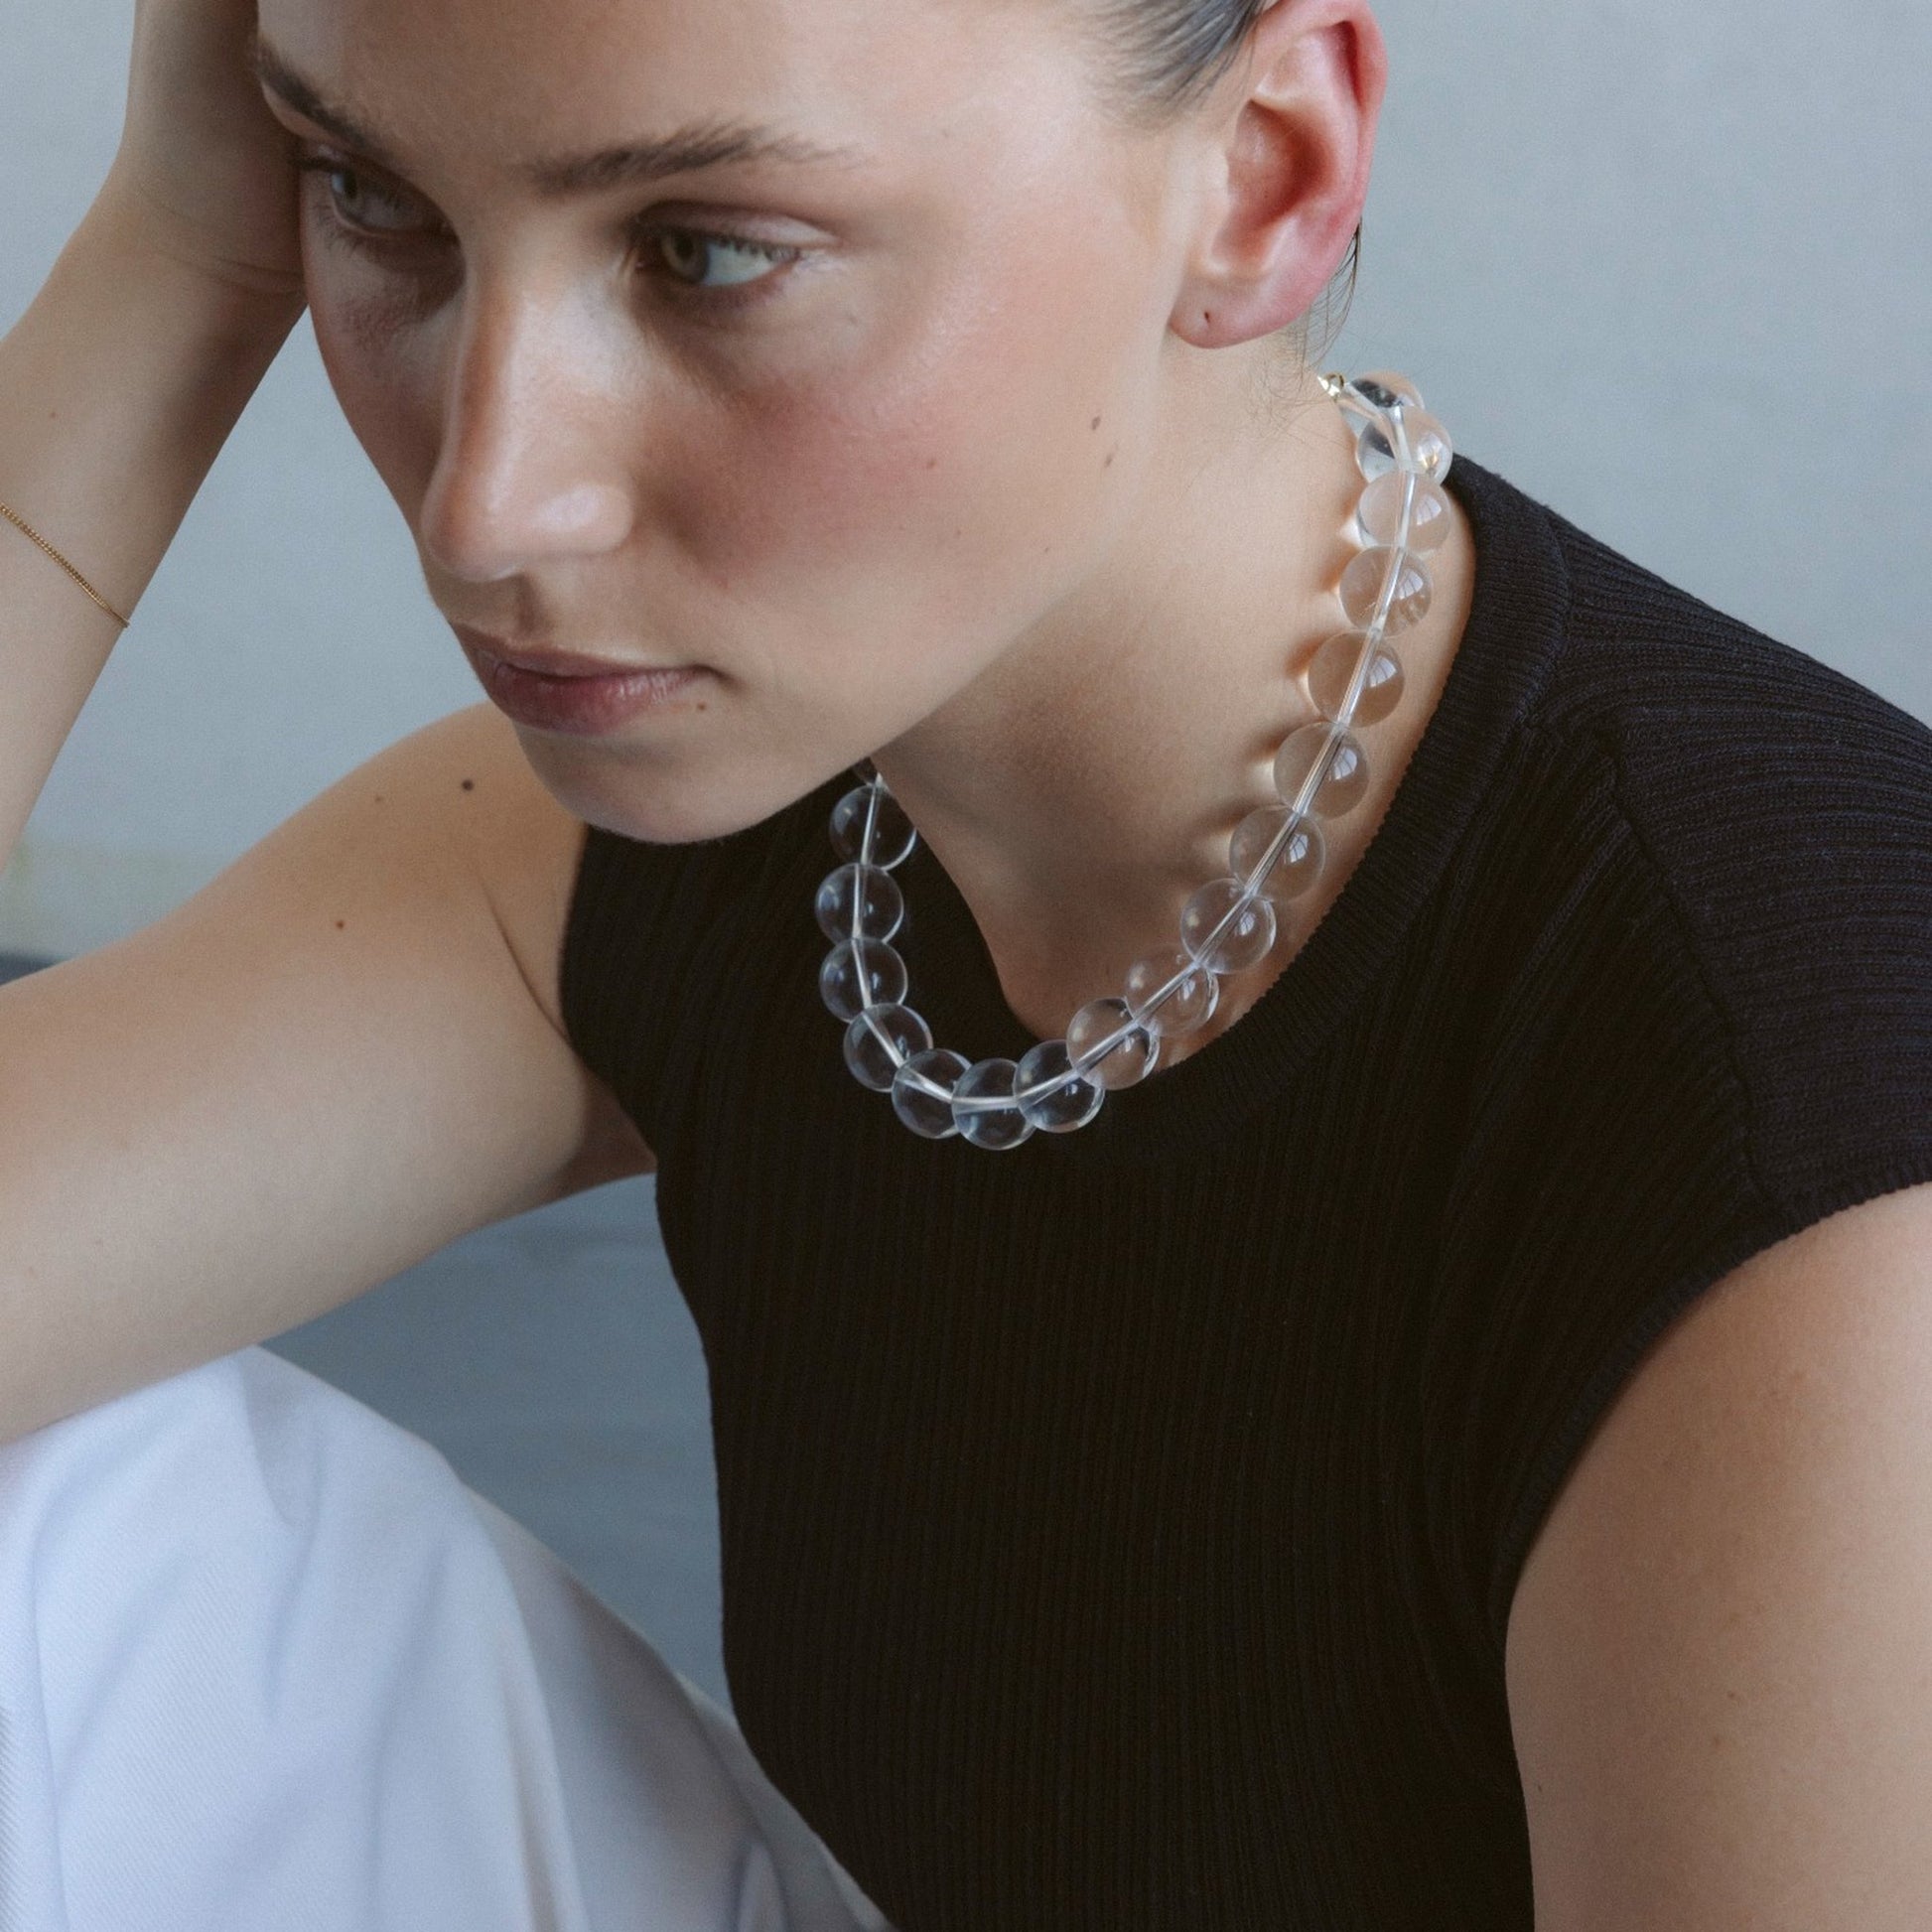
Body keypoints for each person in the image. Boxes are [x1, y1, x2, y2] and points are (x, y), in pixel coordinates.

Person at [1, 0, 1929, 1924]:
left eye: (710, 251)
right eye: (375, 196)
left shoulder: (1787, 1150)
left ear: (1264, 177)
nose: (489, 501)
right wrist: (180, 243)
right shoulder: (727, 818)